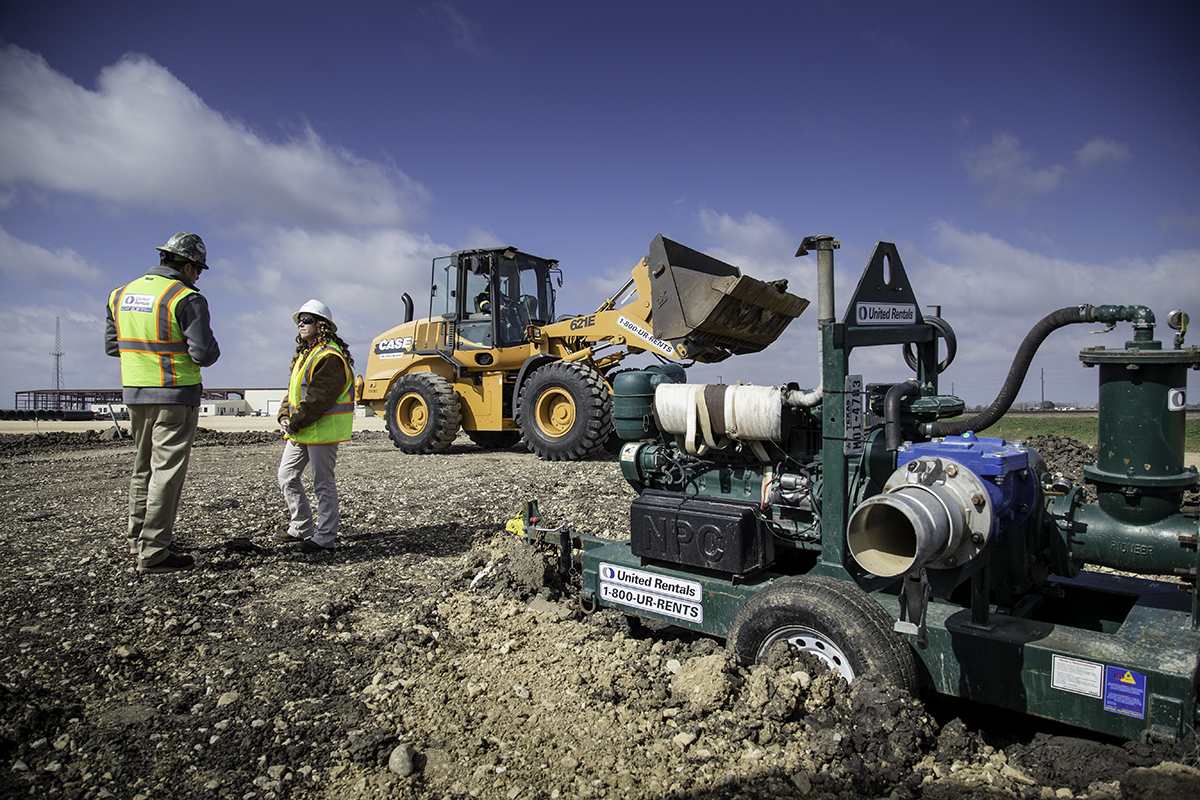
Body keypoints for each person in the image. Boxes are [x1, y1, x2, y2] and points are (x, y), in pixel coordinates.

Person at [105, 232, 220, 574]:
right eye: (197, 270)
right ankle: (154, 551)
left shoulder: (119, 295)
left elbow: (114, 347)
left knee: (142, 470)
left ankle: (138, 538)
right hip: (175, 395)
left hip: (136, 394)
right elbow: (205, 353)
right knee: (166, 473)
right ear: (186, 265)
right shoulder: (185, 298)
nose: (197, 276)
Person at [275, 300, 355, 553]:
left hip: (321, 431)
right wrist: (284, 415)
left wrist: (294, 423)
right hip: (302, 429)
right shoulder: (306, 355)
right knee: (286, 476)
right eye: (300, 319)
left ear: (322, 325)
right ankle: (301, 526)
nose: (301, 323)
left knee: (323, 483)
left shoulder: (329, 357)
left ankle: (326, 537)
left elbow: (319, 399)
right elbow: (294, 392)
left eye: (307, 319)